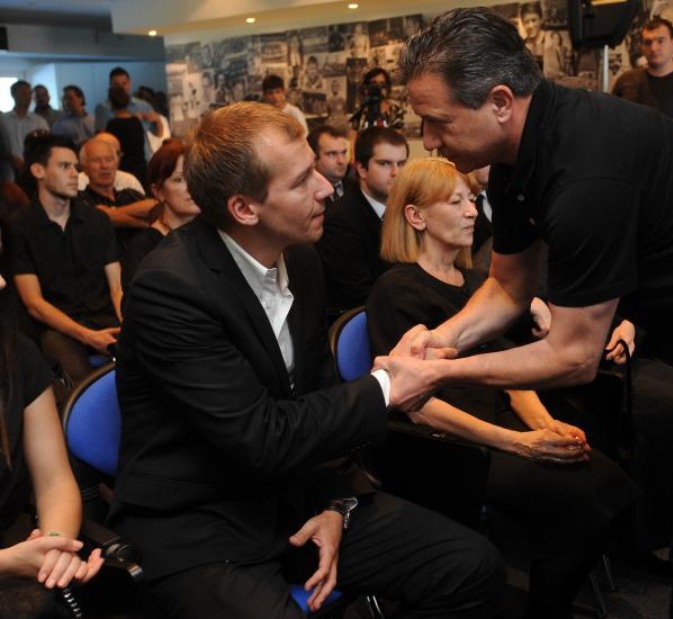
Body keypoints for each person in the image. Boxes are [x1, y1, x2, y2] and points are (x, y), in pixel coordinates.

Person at [391, 9, 673, 619]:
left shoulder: (585, 174)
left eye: (437, 121)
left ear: (500, 102)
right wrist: (437, 342)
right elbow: (508, 287)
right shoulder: (514, 160)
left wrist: (440, 373)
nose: (428, 140)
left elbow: (573, 356)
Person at [109, 101, 504, 619]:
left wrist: (336, 502)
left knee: (471, 565)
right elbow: (261, 437)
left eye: (316, 170)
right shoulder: (170, 289)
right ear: (244, 209)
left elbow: (317, 392)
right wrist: (387, 387)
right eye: (301, 181)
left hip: (295, 496)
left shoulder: (299, 257)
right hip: (201, 525)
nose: (325, 187)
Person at [368, 158, 638, 618]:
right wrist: (518, 443)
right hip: (444, 445)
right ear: (416, 216)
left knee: (609, 481)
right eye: (455, 202)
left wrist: (545, 425)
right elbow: (417, 406)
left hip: (495, 423)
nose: (471, 211)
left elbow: (506, 371)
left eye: (471, 200)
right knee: (584, 496)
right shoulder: (396, 290)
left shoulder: (477, 284)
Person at [0, 217, 104, 619]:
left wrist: (55, 544)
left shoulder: (17, 355)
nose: (3, 283)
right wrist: (8, 562)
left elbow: (55, 481)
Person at [10, 134, 122, 388]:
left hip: (104, 318)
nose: (74, 174)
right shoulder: (20, 227)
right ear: (38, 170)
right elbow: (34, 303)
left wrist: (127, 320)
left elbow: (116, 287)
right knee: (73, 369)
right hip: (57, 328)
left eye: (75, 167)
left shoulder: (96, 220)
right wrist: (87, 336)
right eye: (64, 166)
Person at [316, 126, 407, 317]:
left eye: (401, 163)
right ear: (362, 169)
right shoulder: (340, 220)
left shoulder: (408, 208)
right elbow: (360, 295)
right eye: (384, 164)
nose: (396, 172)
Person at [121, 140, 198, 289]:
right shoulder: (143, 249)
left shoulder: (214, 233)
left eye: (195, 176)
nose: (191, 186)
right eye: (179, 180)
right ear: (158, 191)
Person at [612, 17, 673, 133]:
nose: (653, 48)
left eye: (660, 41)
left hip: (672, 145)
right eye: (648, 42)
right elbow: (613, 124)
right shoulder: (625, 80)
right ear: (642, 47)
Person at [78, 136, 157, 256]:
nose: (104, 166)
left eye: (109, 159)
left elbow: (155, 206)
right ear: (84, 168)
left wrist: (113, 212)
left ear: (116, 164)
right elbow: (100, 217)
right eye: (96, 160)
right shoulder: (81, 198)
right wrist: (144, 223)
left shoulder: (129, 194)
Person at [105, 86, 158, 189]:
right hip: (140, 169)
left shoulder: (112, 125)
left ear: (111, 103)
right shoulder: (136, 121)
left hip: (123, 169)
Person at [94, 68, 159, 144]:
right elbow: (100, 137)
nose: (121, 88)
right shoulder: (103, 108)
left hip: (142, 150)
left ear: (129, 83)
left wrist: (158, 121)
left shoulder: (143, 106)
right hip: (116, 150)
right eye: (116, 84)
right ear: (110, 85)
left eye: (124, 83)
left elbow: (157, 134)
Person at [1, 81, 49, 174]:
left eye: (30, 93)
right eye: (23, 93)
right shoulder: (3, 121)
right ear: (13, 94)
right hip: (7, 171)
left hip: (34, 169)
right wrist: (11, 158)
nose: (28, 97)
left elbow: (46, 146)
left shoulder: (39, 121)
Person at [307, 125, 350, 201]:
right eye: (332, 154)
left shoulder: (358, 188)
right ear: (313, 157)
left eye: (343, 153)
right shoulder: (307, 195)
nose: (341, 161)